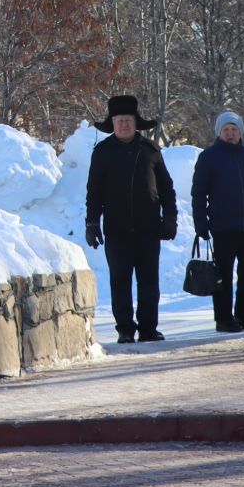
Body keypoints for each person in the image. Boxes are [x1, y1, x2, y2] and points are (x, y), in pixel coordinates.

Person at [85, 94, 178, 344]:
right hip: (117, 229)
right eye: (119, 120)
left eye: (128, 120)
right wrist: (92, 223)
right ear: (112, 123)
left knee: (149, 281)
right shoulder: (102, 153)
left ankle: (149, 327)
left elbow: (167, 189)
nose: (124, 124)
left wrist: (170, 218)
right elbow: (93, 192)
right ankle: (125, 328)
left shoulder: (150, 150)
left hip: (149, 228)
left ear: (136, 123)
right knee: (120, 280)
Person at [189, 111, 244, 332]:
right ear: (219, 132)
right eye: (226, 130)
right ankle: (224, 318)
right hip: (223, 226)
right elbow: (198, 193)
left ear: (240, 132)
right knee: (223, 275)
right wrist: (201, 222)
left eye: (234, 129)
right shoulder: (209, 157)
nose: (230, 133)